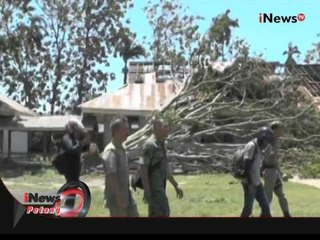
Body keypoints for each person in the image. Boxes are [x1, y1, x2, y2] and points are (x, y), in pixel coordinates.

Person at [139, 117, 183, 217]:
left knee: (165, 213)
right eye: (165, 126)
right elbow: (143, 168)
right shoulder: (150, 145)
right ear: (157, 128)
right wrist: (147, 190)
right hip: (154, 192)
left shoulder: (161, 144)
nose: (168, 128)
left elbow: (165, 168)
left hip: (160, 191)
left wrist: (175, 185)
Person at [100, 116, 139, 217]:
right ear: (116, 131)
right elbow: (111, 176)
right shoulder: (111, 151)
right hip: (117, 197)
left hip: (126, 193)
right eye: (125, 129)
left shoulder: (122, 148)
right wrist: (119, 196)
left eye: (128, 129)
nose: (128, 132)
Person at [240, 126, 274, 217]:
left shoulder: (259, 147)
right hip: (250, 182)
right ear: (262, 138)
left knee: (265, 205)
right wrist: (250, 183)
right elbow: (247, 164)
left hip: (257, 182)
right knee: (248, 209)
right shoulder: (251, 146)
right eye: (266, 141)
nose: (267, 143)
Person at [263, 121, 291, 217]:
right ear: (274, 130)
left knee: (281, 195)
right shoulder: (267, 141)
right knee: (268, 196)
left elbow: (275, 160)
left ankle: (286, 214)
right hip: (269, 172)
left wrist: (281, 173)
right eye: (280, 129)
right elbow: (264, 158)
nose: (282, 131)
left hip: (275, 171)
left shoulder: (276, 141)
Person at [60, 118, 88, 209]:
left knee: (73, 191)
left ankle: (69, 209)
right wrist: (80, 143)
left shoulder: (74, 139)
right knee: (72, 191)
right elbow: (71, 149)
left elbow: (82, 149)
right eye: (75, 128)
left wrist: (85, 142)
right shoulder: (66, 138)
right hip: (70, 169)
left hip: (75, 169)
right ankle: (68, 210)